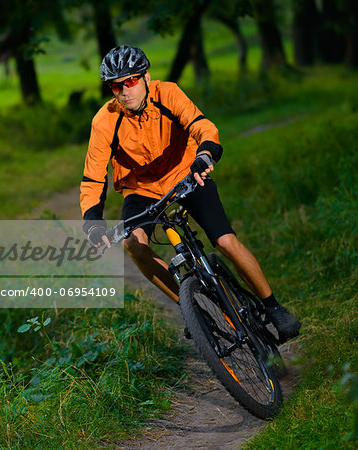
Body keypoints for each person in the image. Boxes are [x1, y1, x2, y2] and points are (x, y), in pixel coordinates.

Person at [80, 45, 300, 342]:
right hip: (141, 190)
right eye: (116, 86)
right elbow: (93, 175)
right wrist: (92, 220)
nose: (124, 91)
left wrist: (206, 153)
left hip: (186, 173)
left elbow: (201, 126)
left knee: (225, 240)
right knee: (134, 244)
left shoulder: (168, 94)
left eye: (131, 81)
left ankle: (274, 307)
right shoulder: (105, 120)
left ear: (146, 77)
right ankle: (192, 308)